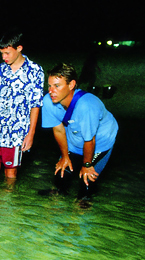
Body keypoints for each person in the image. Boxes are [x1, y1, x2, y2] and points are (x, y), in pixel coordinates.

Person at [41, 63, 118, 200]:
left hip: (100, 141)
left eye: (57, 86)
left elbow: (90, 139)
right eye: (49, 86)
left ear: (71, 85)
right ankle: (58, 199)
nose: (51, 91)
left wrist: (87, 165)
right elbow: (58, 130)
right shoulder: (48, 101)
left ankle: (83, 207)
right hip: (74, 137)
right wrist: (65, 157)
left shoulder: (87, 106)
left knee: (86, 182)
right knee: (61, 174)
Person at [0, 31, 44, 179]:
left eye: (8, 53)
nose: (4, 57)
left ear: (19, 48)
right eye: (2, 53)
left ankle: (9, 201)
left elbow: (35, 105)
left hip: (17, 132)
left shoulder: (35, 71)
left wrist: (31, 134)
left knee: (11, 171)